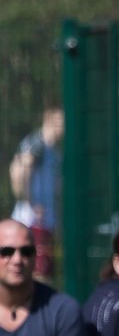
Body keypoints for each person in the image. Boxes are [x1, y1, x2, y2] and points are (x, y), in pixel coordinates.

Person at [9, 107, 64, 282]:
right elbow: (18, 169)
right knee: (34, 271)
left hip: (47, 219)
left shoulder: (53, 150)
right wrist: (28, 200)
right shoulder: (36, 144)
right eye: (58, 122)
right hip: (33, 220)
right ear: (47, 120)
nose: (62, 128)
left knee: (45, 270)